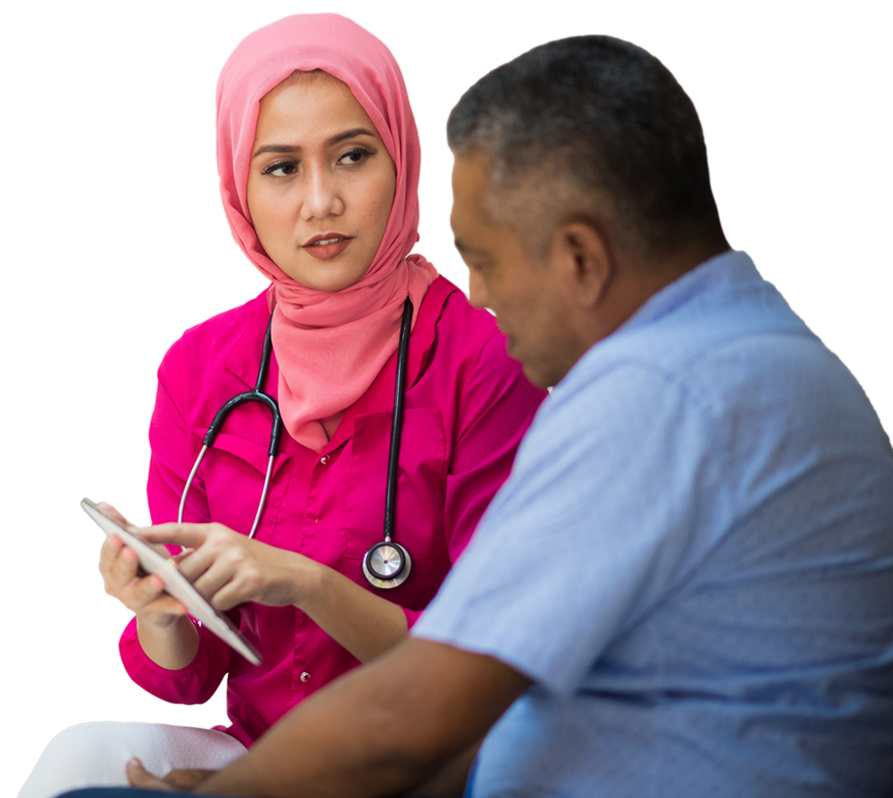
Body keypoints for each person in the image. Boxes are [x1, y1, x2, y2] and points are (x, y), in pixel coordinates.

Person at [62, 33, 893, 798]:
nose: (479, 295)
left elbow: (420, 711)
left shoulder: (662, 396)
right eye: (280, 168)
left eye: (486, 261)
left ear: (580, 258)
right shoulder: (750, 355)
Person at [18, 14, 546, 798]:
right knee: (76, 760)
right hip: (263, 755)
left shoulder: (485, 354)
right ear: (240, 188)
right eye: (280, 169)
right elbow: (196, 675)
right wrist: (163, 611)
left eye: (352, 157)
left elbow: (486, 667)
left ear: (400, 160)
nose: (320, 201)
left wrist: (308, 584)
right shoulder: (200, 371)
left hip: (439, 766)